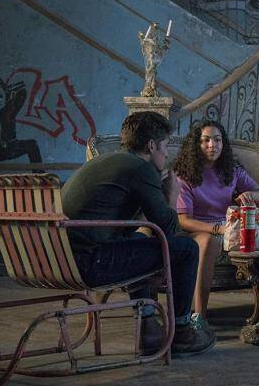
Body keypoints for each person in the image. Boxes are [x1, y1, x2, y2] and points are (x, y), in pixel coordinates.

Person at [62, 111, 214, 357]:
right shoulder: (140, 168)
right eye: (165, 146)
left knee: (138, 239)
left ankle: (148, 330)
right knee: (187, 249)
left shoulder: (109, 161)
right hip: (90, 264)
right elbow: (170, 232)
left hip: (62, 261)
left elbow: (122, 227)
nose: (166, 154)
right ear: (151, 146)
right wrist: (172, 195)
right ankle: (182, 332)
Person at [172, 120, 259, 323]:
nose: (212, 145)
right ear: (196, 144)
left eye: (217, 140)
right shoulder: (184, 174)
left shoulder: (231, 170)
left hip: (229, 228)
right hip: (196, 229)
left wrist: (248, 195)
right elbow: (184, 220)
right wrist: (218, 229)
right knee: (208, 241)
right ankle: (199, 317)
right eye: (206, 140)